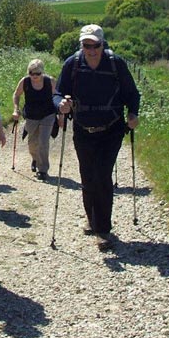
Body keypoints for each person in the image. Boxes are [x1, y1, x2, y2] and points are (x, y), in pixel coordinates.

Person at [54, 24, 140, 251]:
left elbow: (132, 93)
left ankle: (103, 229)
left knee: (102, 174)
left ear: (103, 44)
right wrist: (60, 104)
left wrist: (133, 113)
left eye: (95, 45)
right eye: (86, 45)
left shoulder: (115, 64)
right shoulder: (72, 64)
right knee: (87, 175)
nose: (91, 50)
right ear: (81, 45)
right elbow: (58, 93)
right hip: (83, 129)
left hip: (111, 129)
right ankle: (91, 218)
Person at [11, 59, 57, 180]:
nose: (34, 76)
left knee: (43, 142)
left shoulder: (50, 81)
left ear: (42, 72)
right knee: (32, 143)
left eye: (38, 73)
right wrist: (16, 109)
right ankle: (35, 159)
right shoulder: (25, 81)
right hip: (31, 116)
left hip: (48, 114)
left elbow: (57, 96)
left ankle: (43, 170)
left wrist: (61, 115)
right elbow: (16, 94)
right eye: (32, 73)